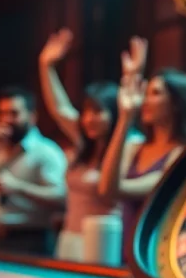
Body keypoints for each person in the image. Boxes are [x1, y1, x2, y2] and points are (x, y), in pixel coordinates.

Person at [98, 36, 186, 255]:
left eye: (155, 94)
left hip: (154, 254)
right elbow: (105, 190)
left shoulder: (180, 154)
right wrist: (124, 117)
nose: (144, 101)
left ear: (176, 103)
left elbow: (116, 189)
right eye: (145, 93)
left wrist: (126, 117)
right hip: (123, 250)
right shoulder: (134, 145)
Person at [39, 28, 123, 262]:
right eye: (85, 112)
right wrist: (46, 66)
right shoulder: (84, 141)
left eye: (97, 112)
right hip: (68, 238)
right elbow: (59, 109)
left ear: (116, 112)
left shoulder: (127, 145)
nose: (88, 119)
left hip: (103, 241)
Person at [0, 86, 67, 255]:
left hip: (30, 242)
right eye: (1, 114)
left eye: (14, 113)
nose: (6, 120)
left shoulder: (46, 152)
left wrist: (18, 188)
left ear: (32, 117)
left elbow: (61, 197)